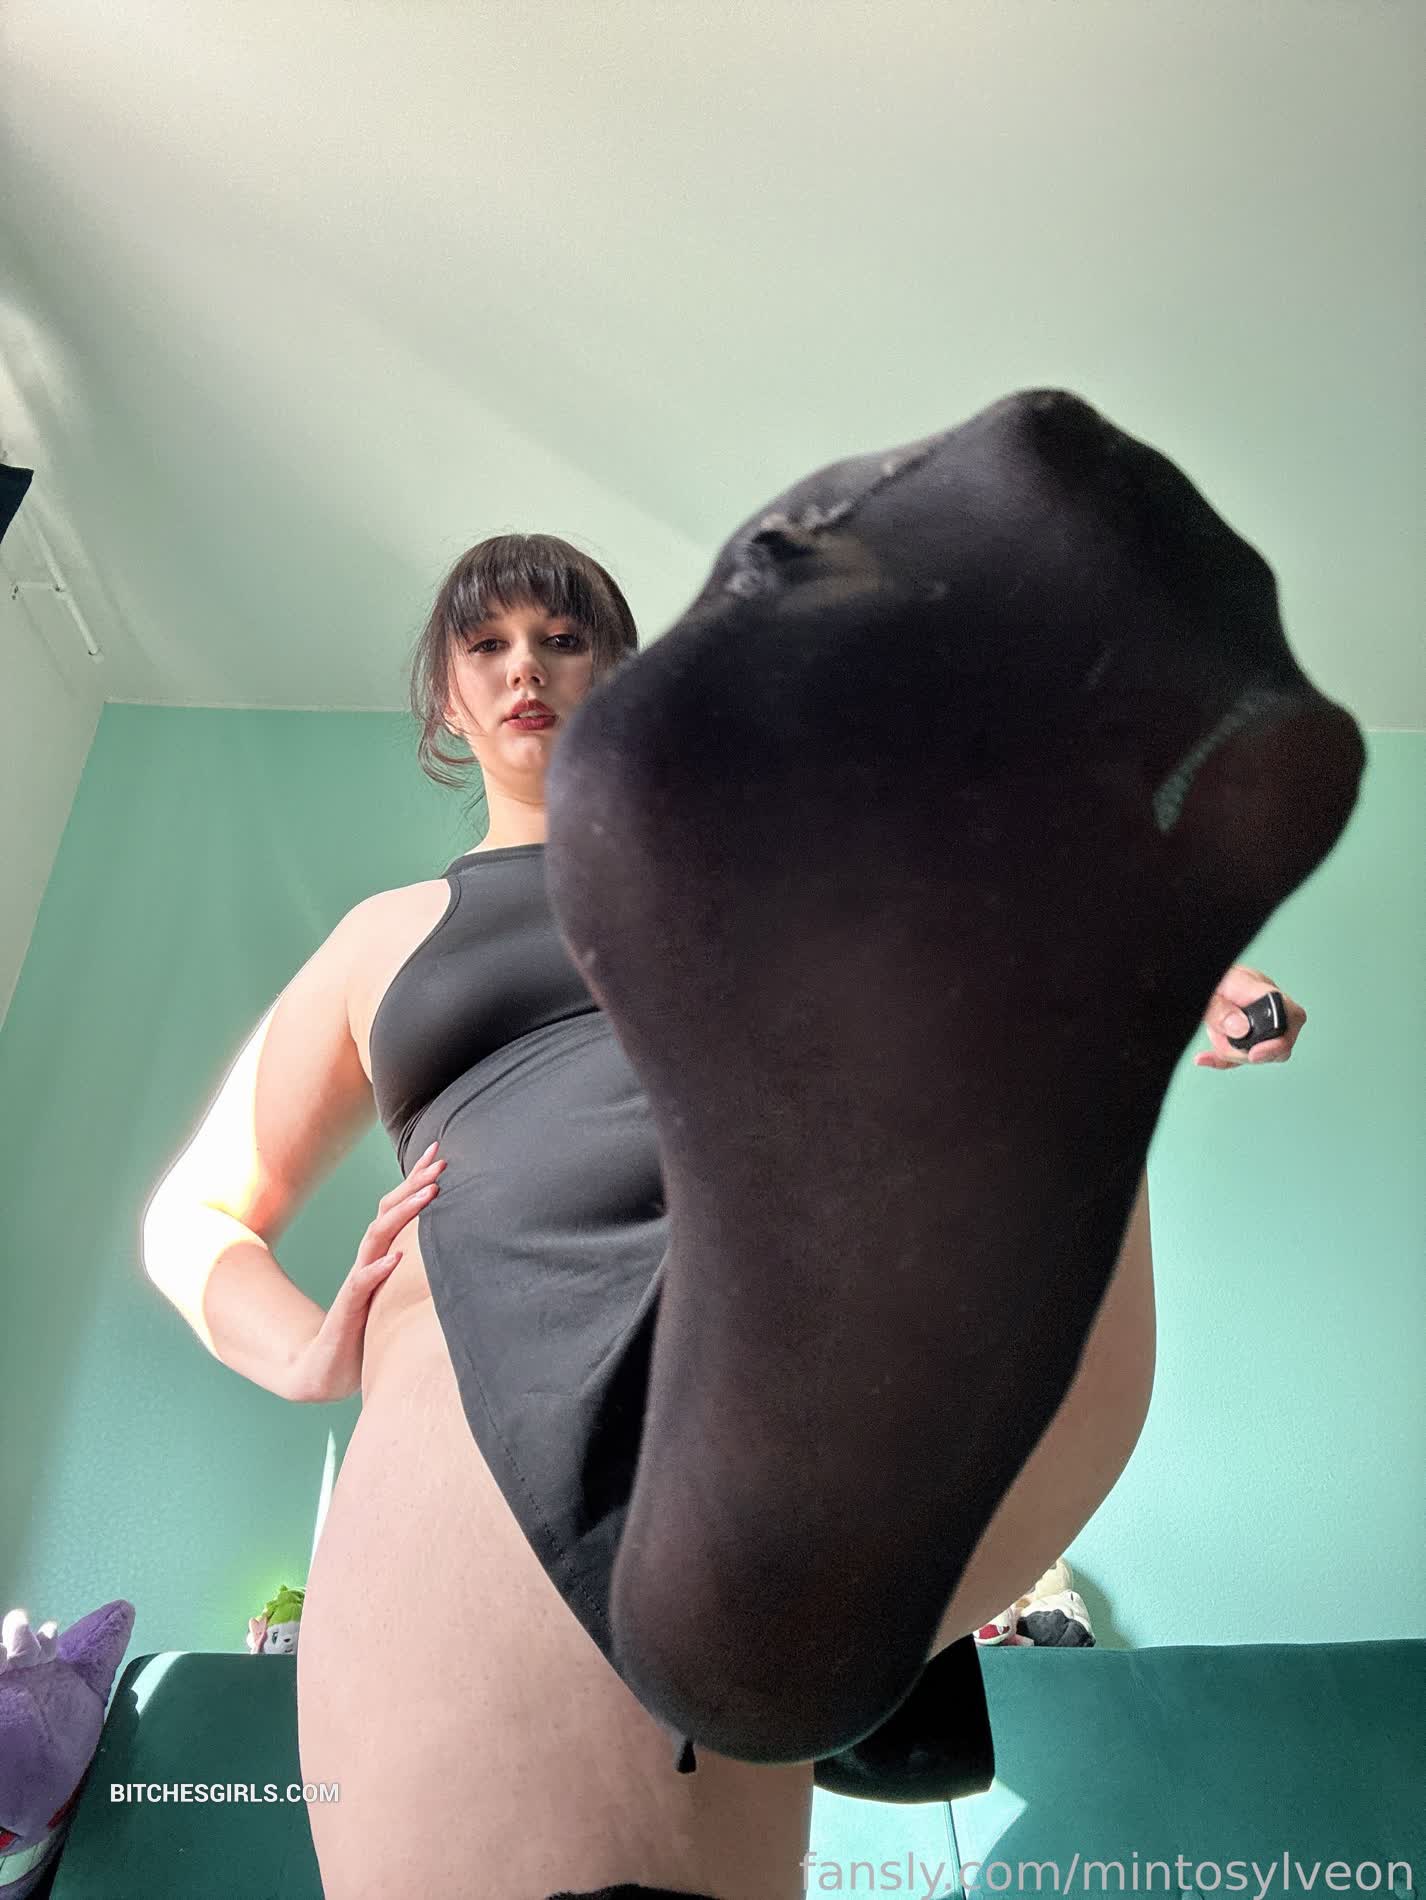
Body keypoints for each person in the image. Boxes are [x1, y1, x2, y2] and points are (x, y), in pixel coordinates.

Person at [142, 388, 1361, 1900]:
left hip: (759, 1318)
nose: (525, 667)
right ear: (446, 702)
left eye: (564, 637)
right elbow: (197, 1218)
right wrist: (303, 1351)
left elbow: (915, 1023)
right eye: (487, 644)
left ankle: (1101, 959)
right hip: (484, 1357)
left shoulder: (740, 880)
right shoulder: (381, 936)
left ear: (617, 674)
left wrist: (1152, 991)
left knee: (948, 1021)